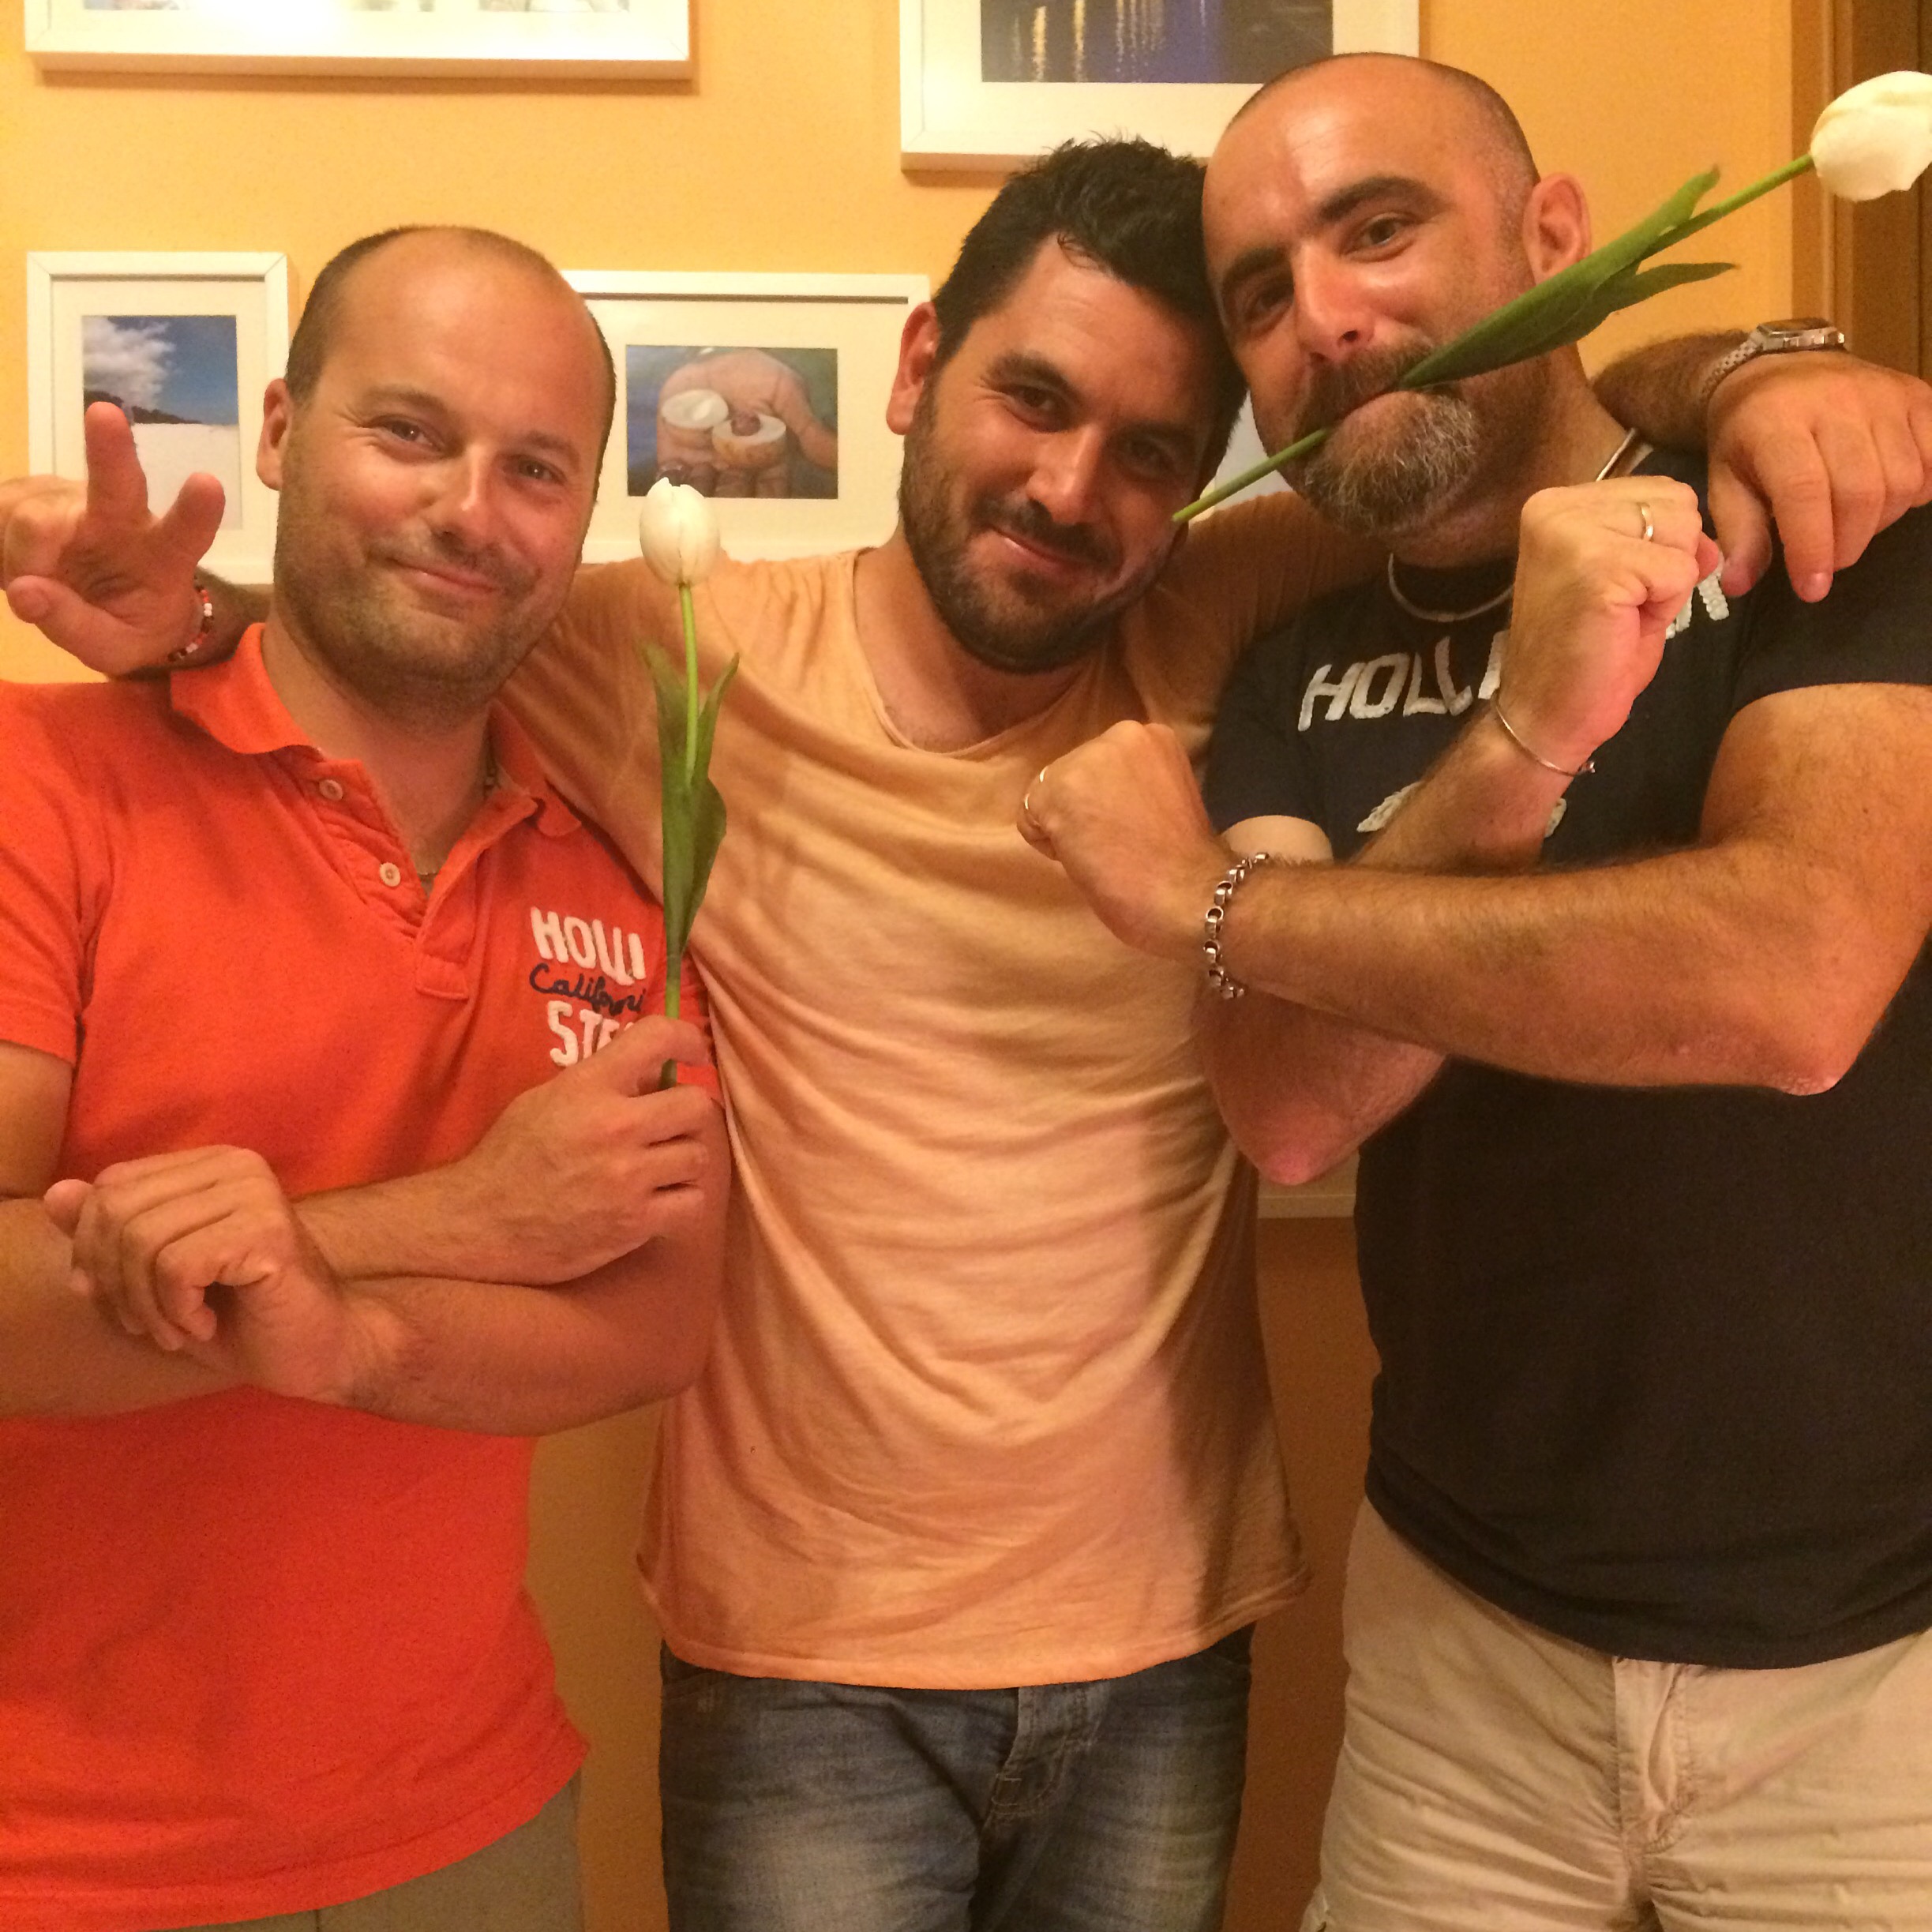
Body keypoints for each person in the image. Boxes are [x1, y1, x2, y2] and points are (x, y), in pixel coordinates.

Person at [6, 146, 1927, 1932]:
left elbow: (1504, 414)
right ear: (922, 365)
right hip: (798, 1667)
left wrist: (1757, 364)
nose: (1073, 491)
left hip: (1163, 1637)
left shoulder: (1218, 620)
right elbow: (421, 602)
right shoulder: (666, 648)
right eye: (1032, 398)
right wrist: (205, 616)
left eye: (1151, 451)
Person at [1022, 57, 1932, 1932]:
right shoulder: (1295, 662)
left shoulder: (1814, 515)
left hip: (1872, 1658)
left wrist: (1219, 904)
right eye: (1261, 294)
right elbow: (1291, 1107)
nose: (1325, 318)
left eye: (1378, 230)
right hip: (1464, 1647)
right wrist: (1520, 740)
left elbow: (1792, 979)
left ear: (1553, 234)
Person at [0, 227, 729, 1930]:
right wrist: (459, 1218)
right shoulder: (43, 780)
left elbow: (651, 1322)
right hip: (62, 1849)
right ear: (277, 430)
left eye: (536, 468)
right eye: (409, 432)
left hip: (472, 1826)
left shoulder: (620, 858)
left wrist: (344, 1334)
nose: (471, 510)